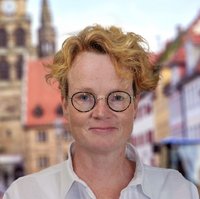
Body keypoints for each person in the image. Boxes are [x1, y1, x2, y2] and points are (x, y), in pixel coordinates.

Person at [3, 25, 199, 199]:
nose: (101, 112)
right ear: (65, 106)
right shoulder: (24, 194)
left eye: (117, 97)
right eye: (85, 97)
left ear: (135, 105)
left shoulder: (178, 192)